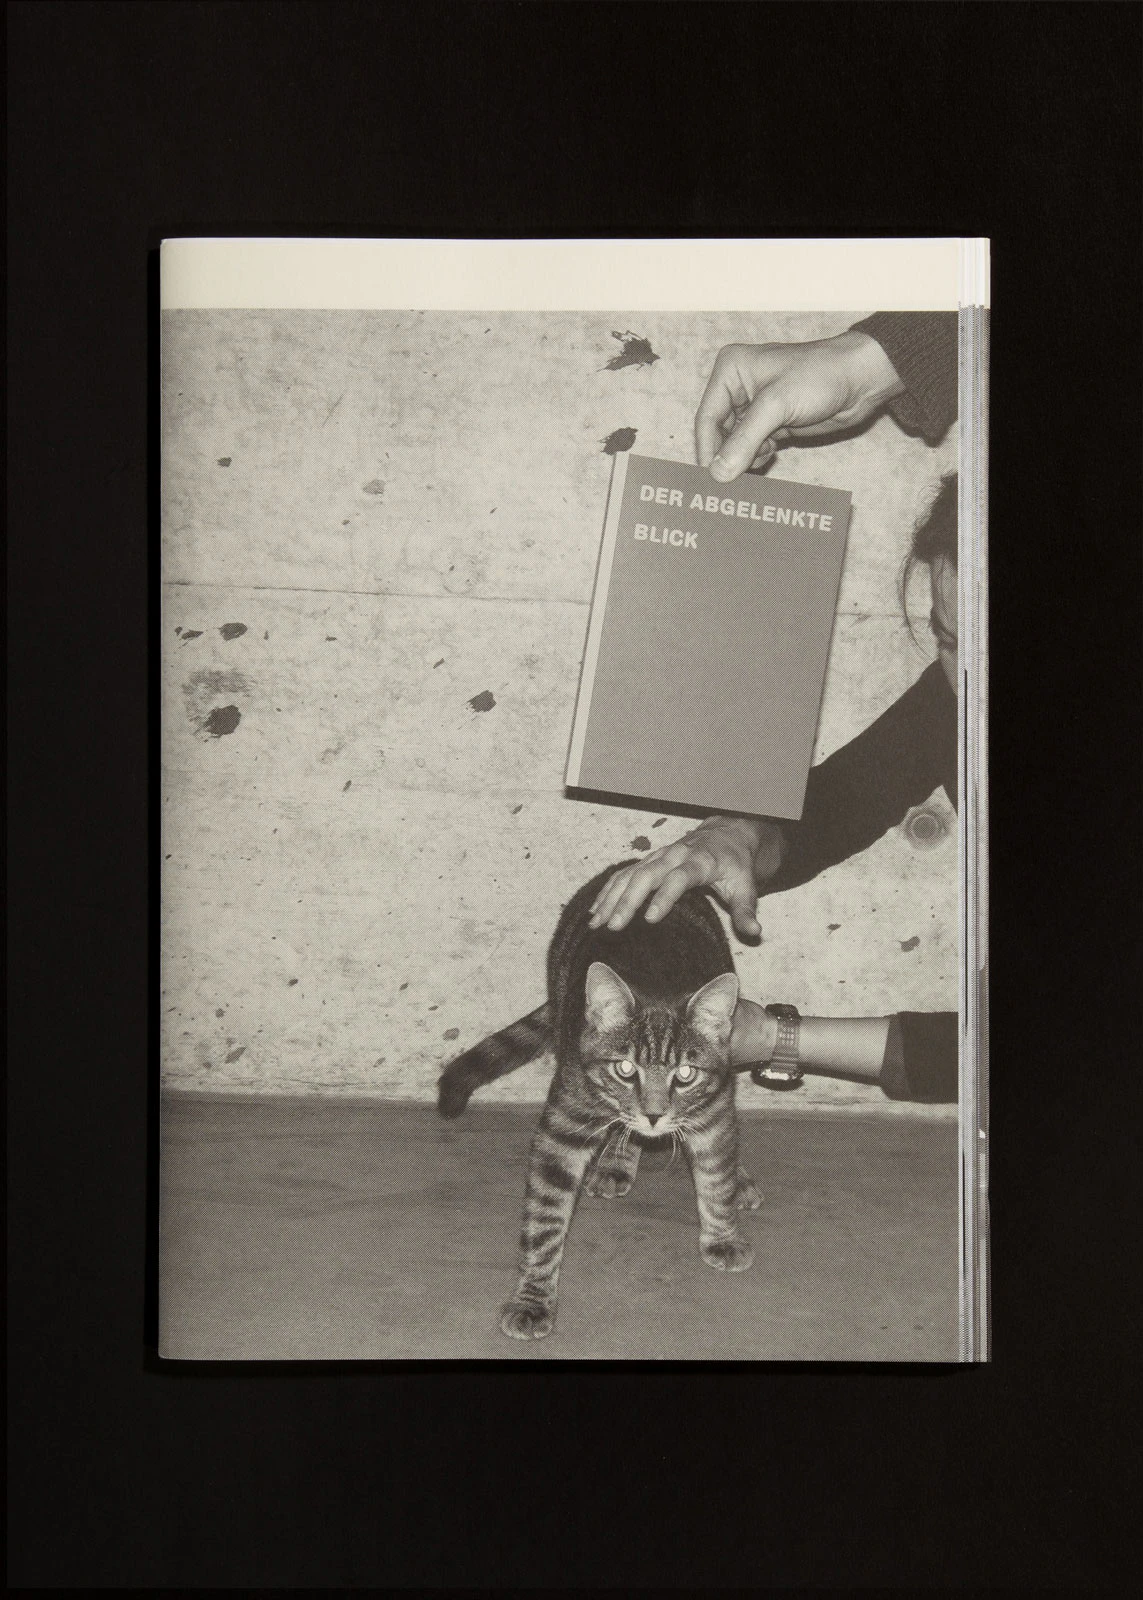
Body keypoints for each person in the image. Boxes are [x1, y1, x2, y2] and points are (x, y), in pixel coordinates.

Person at [588, 314, 961, 1103]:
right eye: (950, 639)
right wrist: (734, 836)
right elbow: (841, 803)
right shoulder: (955, 696)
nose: (968, 685)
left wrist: (773, 1038)